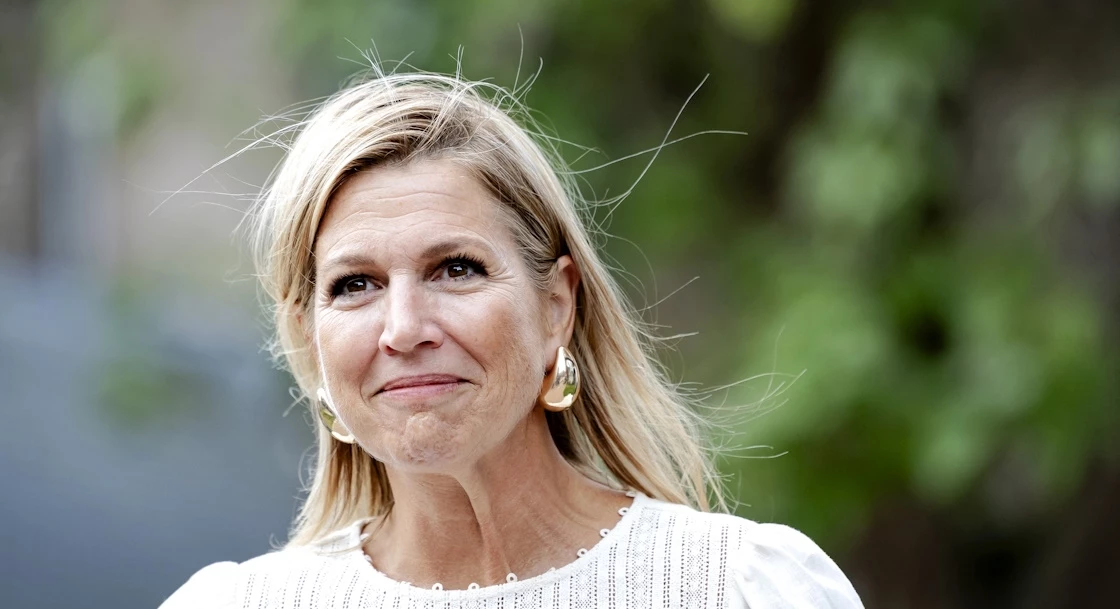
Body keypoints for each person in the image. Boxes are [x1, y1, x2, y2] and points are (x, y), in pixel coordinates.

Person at [160, 69, 864, 608]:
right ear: (309, 337)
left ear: (556, 306)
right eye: (355, 284)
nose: (403, 329)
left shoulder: (739, 588)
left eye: (455, 269)